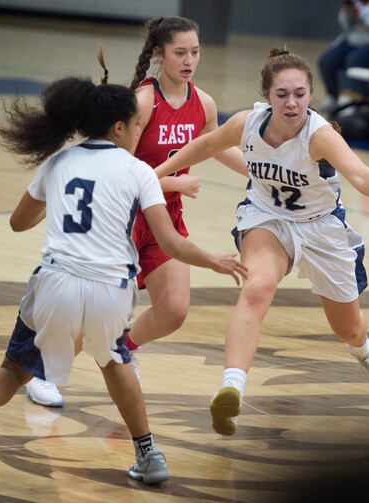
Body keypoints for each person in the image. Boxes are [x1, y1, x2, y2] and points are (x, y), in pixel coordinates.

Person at [0, 75, 247, 484]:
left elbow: (18, 223)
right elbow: (172, 243)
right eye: (137, 126)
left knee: (13, 369)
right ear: (118, 127)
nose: (139, 133)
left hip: (56, 284)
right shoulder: (138, 171)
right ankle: (148, 454)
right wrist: (215, 260)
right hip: (110, 289)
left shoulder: (58, 162)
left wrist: (52, 201)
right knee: (115, 361)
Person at [153, 47, 369, 436]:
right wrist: (156, 173)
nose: (292, 103)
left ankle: (363, 350)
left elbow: (359, 173)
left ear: (309, 95)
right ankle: (230, 387)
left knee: (348, 328)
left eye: (300, 94)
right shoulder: (247, 123)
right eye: (282, 95)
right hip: (267, 217)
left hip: (320, 227)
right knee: (257, 287)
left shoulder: (319, 135)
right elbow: (205, 145)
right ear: (267, 96)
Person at [24, 16, 249, 407]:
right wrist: (172, 182)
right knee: (95, 307)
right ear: (159, 55)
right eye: (180, 52)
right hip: (122, 216)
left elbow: (215, 146)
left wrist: (263, 173)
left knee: (174, 311)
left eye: (195, 52)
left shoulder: (204, 102)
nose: (189, 60)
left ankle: (122, 348)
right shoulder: (143, 102)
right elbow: (115, 170)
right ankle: (43, 374)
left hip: (165, 215)